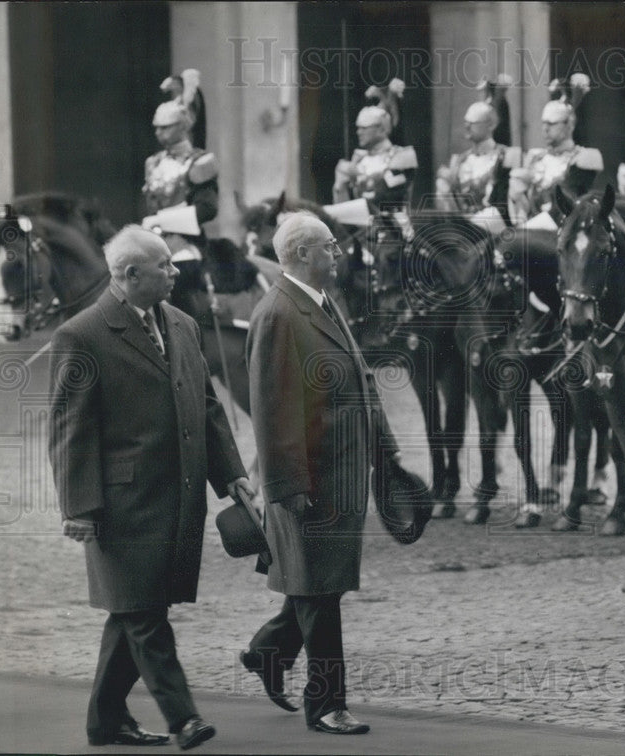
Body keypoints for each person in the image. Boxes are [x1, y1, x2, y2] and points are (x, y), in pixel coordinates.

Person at [48, 226, 253, 750]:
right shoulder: (83, 335)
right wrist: (78, 508)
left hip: (176, 498)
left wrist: (233, 476)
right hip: (120, 508)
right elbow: (69, 430)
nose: (176, 271)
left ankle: (105, 721)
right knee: (143, 615)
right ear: (130, 275)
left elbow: (206, 406)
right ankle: (184, 717)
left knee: (135, 609)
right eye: (165, 265)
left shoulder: (182, 324)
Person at [244, 212, 397, 735]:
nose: (340, 254)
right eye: (331, 247)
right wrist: (288, 486)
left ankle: (269, 651)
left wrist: (389, 452)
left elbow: (360, 379)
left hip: (340, 477)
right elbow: (271, 409)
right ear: (305, 254)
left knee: (319, 587)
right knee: (316, 592)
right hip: (308, 482)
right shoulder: (278, 314)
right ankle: (327, 704)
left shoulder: (321, 303)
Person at [508, 74, 603, 228]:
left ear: (569, 125)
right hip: (532, 229)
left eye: (552, 124)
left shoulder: (584, 157)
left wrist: (526, 231)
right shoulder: (535, 157)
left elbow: (568, 202)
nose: (545, 129)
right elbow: (522, 212)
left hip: (565, 230)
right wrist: (517, 196)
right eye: (544, 123)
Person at [331, 83, 417, 240]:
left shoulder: (402, 156)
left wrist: (358, 175)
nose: (359, 132)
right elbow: (343, 205)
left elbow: (385, 195)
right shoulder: (359, 159)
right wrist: (340, 187)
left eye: (364, 128)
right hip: (362, 230)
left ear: (381, 129)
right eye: (358, 127)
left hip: (393, 230)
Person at [141, 100, 218, 263]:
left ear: (182, 127)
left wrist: (160, 220)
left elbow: (207, 209)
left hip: (187, 243)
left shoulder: (200, 161)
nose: (158, 132)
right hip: (153, 240)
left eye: (165, 127)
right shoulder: (152, 162)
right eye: (156, 127)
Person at [434, 101, 520, 226]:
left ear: (490, 125)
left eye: (473, 123)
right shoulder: (459, 161)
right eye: (466, 122)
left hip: (496, 228)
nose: (467, 127)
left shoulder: (506, 156)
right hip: (462, 230)